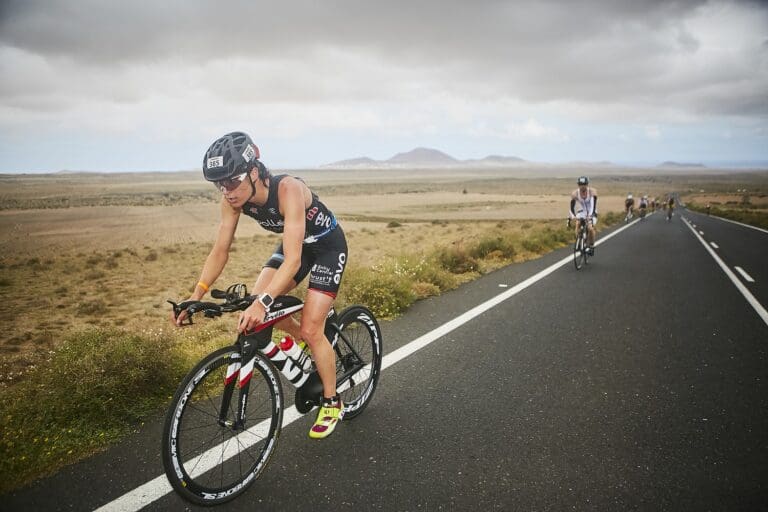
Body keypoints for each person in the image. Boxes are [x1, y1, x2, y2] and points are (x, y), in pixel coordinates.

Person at [171, 131, 348, 439]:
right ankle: (300, 346)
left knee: (305, 325)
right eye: (219, 183)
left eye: (232, 180)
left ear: (254, 171)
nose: (227, 190)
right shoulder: (233, 201)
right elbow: (220, 251)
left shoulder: (288, 190)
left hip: (326, 248)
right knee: (256, 309)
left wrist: (262, 302)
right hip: (295, 246)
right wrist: (195, 294)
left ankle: (332, 401)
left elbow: (292, 263)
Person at [568, 176, 598, 255]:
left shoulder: (592, 192)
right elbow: (571, 207)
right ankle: (578, 240)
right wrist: (573, 216)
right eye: (580, 184)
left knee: (590, 228)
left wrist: (590, 216)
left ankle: (591, 245)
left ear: (587, 184)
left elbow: (592, 206)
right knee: (578, 223)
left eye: (584, 184)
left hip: (592, 212)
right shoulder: (575, 193)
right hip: (582, 211)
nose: (582, 186)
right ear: (578, 185)